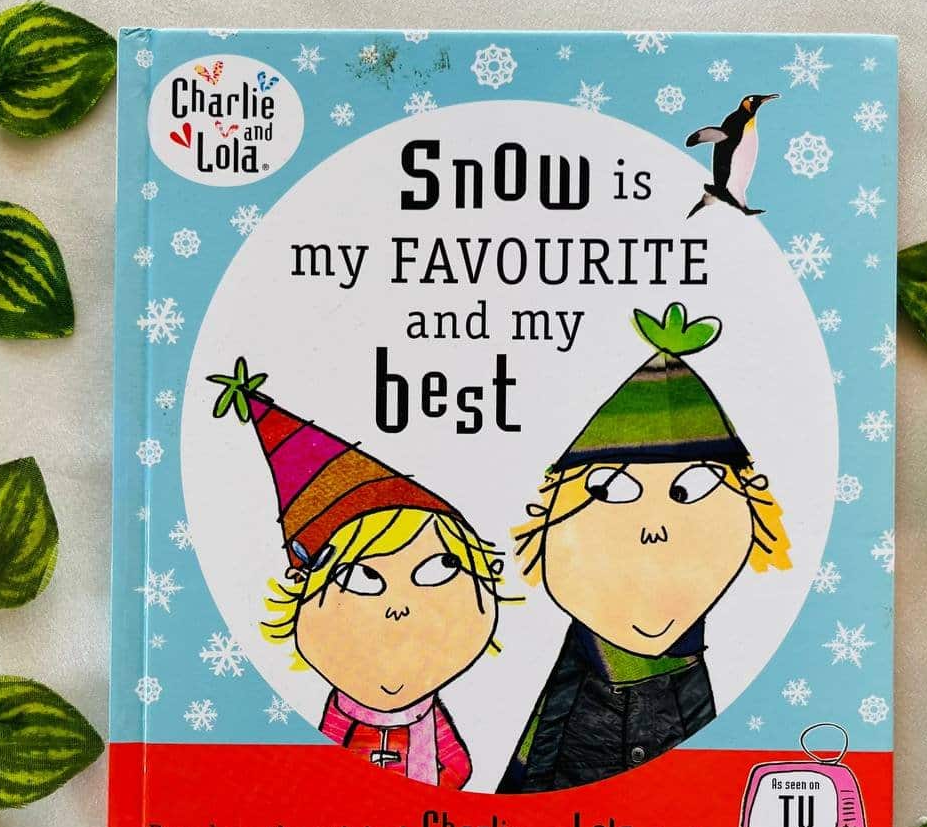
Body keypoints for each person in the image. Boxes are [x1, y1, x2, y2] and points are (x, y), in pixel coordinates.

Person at [497, 304, 791, 793]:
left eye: (689, 489)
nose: (654, 529)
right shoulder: (585, 658)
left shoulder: (688, 661)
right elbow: (541, 747)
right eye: (610, 489)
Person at [209, 357, 508, 788]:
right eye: (360, 578)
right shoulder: (340, 718)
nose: (399, 607)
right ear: (303, 595)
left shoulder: (430, 716)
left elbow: (457, 764)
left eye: (440, 569)